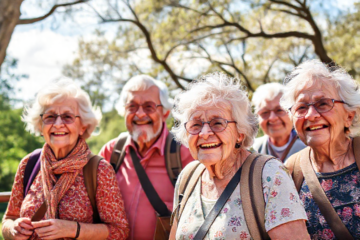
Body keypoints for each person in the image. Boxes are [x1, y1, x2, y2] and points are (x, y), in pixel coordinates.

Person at [170, 72, 309, 239]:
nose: (205, 133)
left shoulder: (270, 175)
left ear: (240, 133)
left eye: (218, 123)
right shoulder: (188, 177)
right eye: (195, 125)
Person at [1, 80, 129, 240]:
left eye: (68, 117)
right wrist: (13, 228)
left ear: (83, 126)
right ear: (41, 125)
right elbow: (8, 219)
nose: (58, 124)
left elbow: (119, 231)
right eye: (50, 117)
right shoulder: (29, 164)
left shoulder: (99, 169)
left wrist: (73, 230)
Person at [99, 75, 193, 239]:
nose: (140, 114)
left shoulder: (185, 155)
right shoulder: (111, 152)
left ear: (165, 113)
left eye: (149, 107)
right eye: (132, 106)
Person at [281, 60, 360, 239]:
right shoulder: (291, 171)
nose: (311, 115)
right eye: (301, 107)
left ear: (349, 116)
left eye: (323, 103)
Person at [252, 83, 306, 162]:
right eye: (265, 112)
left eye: (279, 110)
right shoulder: (252, 150)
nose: (272, 118)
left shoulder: (309, 148)